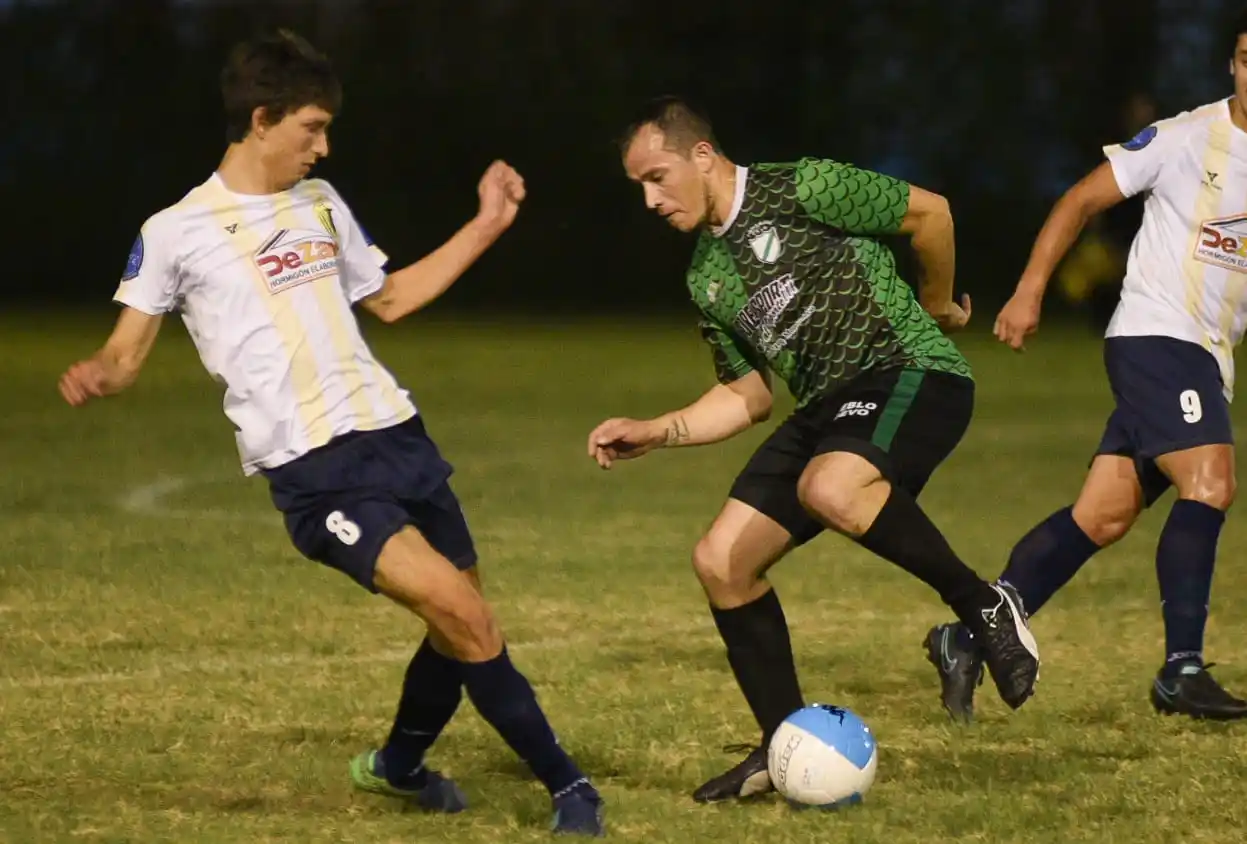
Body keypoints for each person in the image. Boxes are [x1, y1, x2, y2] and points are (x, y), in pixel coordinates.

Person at [57, 30, 605, 835]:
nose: (324, 145)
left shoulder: (321, 204)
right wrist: (99, 375)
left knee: (459, 620)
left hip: (396, 432)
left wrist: (486, 224)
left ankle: (397, 769)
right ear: (260, 118)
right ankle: (568, 788)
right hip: (317, 467)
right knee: (465, 614)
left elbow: (389, 299)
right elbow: (125, 352)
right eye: (311, 128)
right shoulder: (177, 229)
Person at [586, 95, 1041, 803]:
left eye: (657, 175)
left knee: (828, 489)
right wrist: (659, 429)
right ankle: (779, 747)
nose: (650, 199)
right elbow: (747, 396)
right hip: (825, 408)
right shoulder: (705, 274)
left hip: (906, 369)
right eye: (637, 186)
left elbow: (931, 213)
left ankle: (982, 607)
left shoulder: (803, 187)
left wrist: (937, 303)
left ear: (701, 155)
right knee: (720, 562)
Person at [923, 12, 1247, 724]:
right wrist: (1031, 290)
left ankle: (969, 633)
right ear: (1231, 61)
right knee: (1210, 483)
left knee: (1099, 517)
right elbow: (1079, 199)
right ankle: (1180, 671)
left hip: (1201, 355)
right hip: (1157, 338)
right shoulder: (1186, 137)